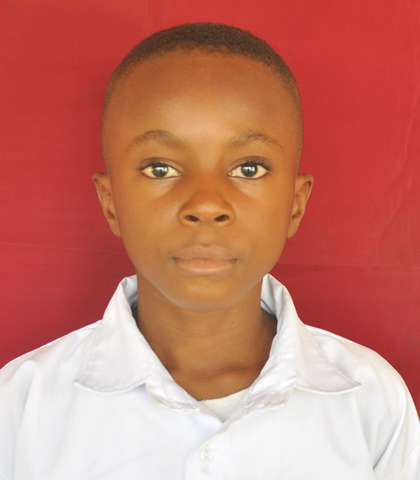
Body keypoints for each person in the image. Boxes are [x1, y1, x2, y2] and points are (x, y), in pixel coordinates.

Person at [0, 22, 419, 480]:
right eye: (160, 168)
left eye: (249, 168)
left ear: (296, 205)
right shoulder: (21, 406)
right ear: (110, 202)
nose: (206, 204)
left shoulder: (370, 403)